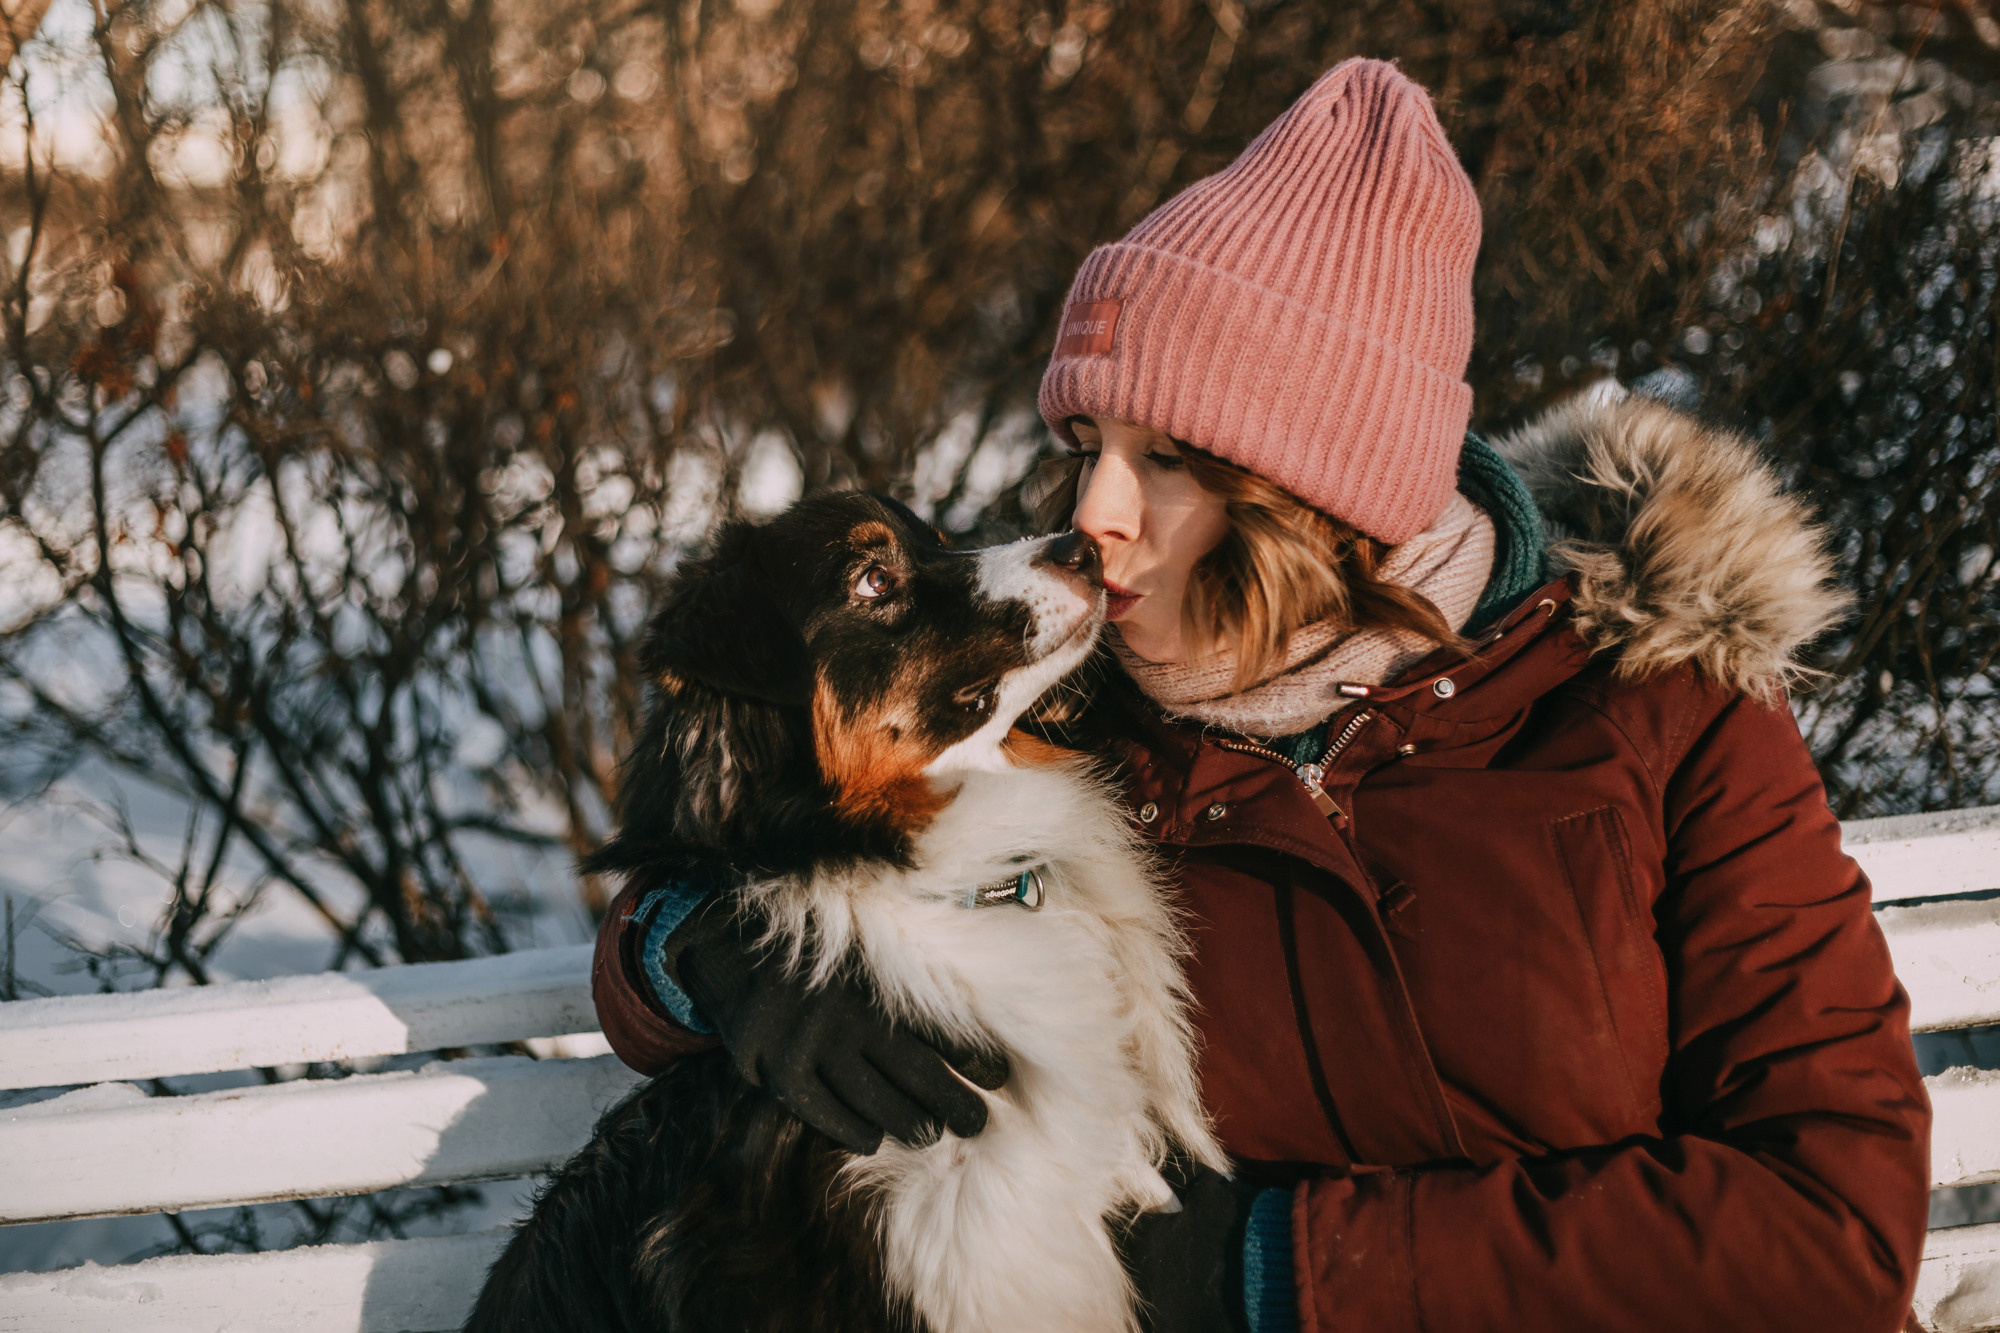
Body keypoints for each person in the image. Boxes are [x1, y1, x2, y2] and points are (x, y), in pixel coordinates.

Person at [591, 58, 1931, 1332]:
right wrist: (696, 948)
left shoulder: (1664, 707)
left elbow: (1833, 1227)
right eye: (1083, 446)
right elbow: (762, 810)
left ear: (1326, 493)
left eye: (1166, 459)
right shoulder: (1073, 737)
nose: (1092, 517)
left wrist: (1278, 1274)